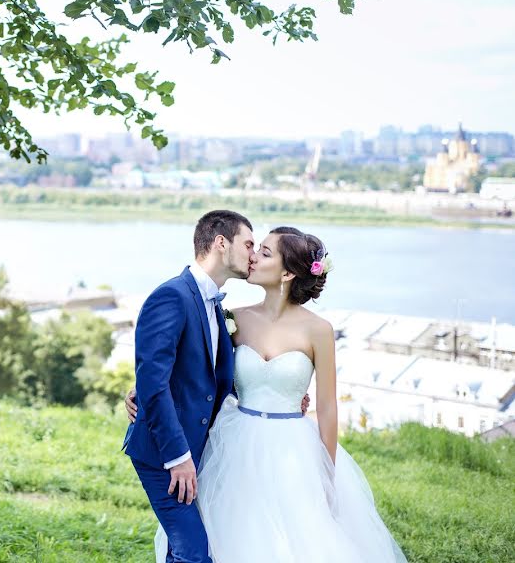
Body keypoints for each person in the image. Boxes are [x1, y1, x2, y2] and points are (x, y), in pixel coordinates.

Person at [125, 226, 408, 563]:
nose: (253, 256)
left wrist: (327, 476)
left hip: (292, 449)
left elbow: (328, 407)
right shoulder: (233, 317)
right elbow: (198, 371)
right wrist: (140, 389)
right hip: (234, 443)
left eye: (265, 252)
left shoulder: (318, 330)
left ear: (287, 273)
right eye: (255, 247)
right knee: (229, 535)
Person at [121, 211, 309, 563]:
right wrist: (177, 458)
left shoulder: (220, 309)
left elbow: (215, 380)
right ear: (221, 244)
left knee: (194, 549)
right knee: (194, 553)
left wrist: (279, 391)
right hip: (164, 453)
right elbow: (153, 379)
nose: (253, 255)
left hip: (203, 450)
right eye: (249, 244)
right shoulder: (171, 297)